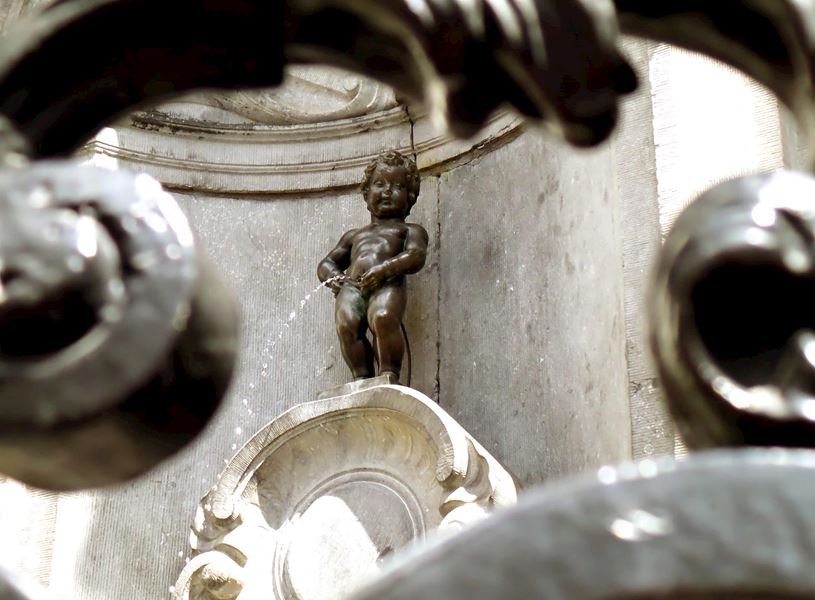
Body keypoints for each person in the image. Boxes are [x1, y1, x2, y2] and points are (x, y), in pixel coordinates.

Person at [317, 150, 428, 381]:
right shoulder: (354, 235)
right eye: (379, 184)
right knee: (346, 324)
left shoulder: (409, 230)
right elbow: (327, 263)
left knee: (383, 316)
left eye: (397, 187)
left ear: (410, 197)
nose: (387, 191)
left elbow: (416, 255)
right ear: (366, 193)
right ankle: (361, 378)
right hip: (353, 286)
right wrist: (335, 276)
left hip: (388, 282)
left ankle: (388, 373)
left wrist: (386, 269)